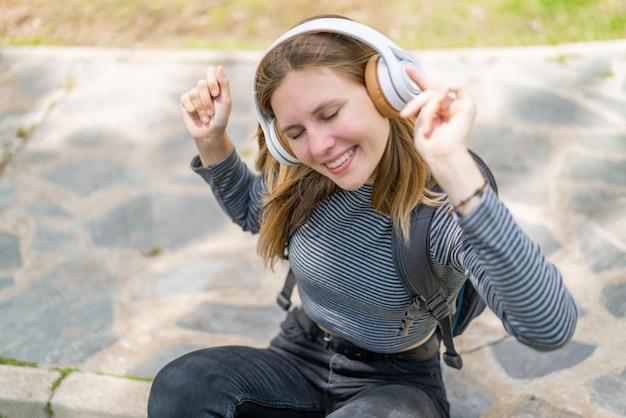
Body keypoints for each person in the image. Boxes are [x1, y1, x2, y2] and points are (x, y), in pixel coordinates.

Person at [147, 15, 578, 418]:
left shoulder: (439, 205)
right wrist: (212, 140)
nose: (319, 146)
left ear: (384, 93)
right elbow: (249, 209)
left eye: (330, 114)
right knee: (182, 387)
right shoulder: (303, 175)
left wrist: (456, 166)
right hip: (298, 354)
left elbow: (550, 327)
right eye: (295, 133)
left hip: (395, 382)